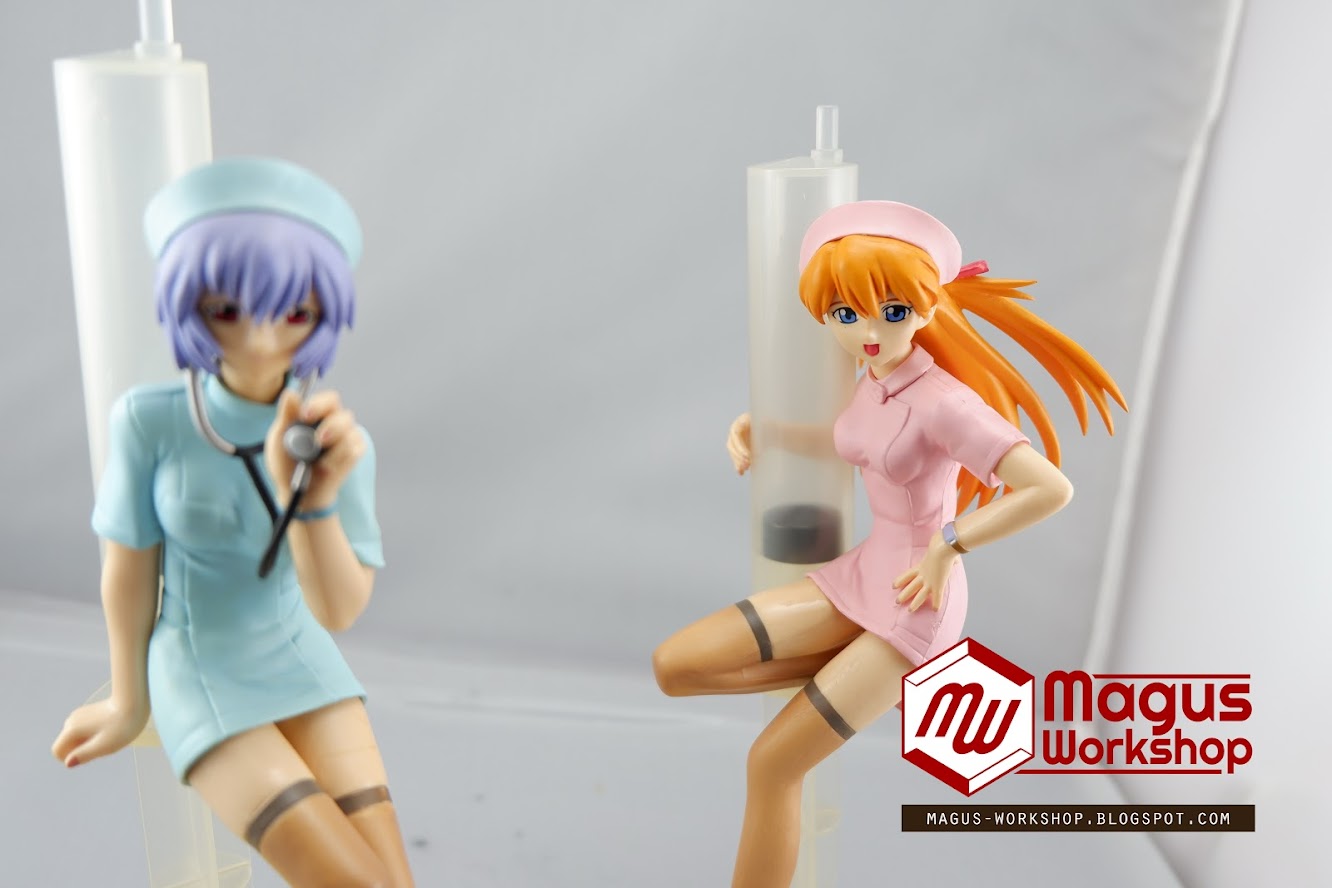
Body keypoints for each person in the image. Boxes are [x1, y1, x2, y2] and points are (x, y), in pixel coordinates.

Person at [653, 200, 1125, 888]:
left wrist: (949, 545)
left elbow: (1050, 488)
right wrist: (767, 428)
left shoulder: (945, 402)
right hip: (861, 575)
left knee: (772, 765)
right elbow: (851, 442)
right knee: (676, 666)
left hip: (915, 600)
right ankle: (869, 677)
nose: (868, 332)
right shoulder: (871, 384)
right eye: (845, 314)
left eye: (892, 312)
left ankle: (888, 673)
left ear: (927, 308)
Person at [51, 158, 414, 887]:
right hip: (199, 667)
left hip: (300, 657)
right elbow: (128, 571)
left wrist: (312, 500)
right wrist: (128, 700)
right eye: (225, 309)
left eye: (293, 313)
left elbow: (338, 611)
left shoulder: (339, 446)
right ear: (188, 303)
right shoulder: (150, 423)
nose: (259, 338)